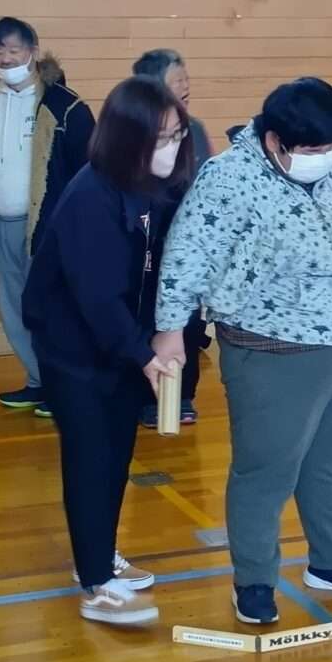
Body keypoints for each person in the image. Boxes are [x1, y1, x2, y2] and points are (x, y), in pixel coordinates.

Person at [151, 77, 332, 625]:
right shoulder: (227, 178)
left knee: (329, 461)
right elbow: (186, 255)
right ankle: (254, 580)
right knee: (265, 470)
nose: (326, 157)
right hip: (272, 347)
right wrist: (169, 330)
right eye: (314, 149)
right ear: (275, 140)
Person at [23, 76, 193, 626]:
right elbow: (97, 297)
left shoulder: (151, 188)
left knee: (117, 452)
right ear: (127, 137)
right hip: (73, 350)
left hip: (120, 347)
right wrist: (143, 354)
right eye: (162, 138)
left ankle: (99, 555)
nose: (173, 147)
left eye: (178, 135)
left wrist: (167, 336)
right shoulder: (90, 197)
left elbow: (158, 272)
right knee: (90, 456)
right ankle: (96, 583)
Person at [0, 16, 95, 418]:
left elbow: (90, 171)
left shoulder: (65, 106)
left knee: (53, 311)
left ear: (33, 52)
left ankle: (63, 387)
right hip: (2, 227)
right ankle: (39, 381)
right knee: (14, 310)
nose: (5, 59)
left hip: (50, 230)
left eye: (14, 50)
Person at [132, 48, 213, 428]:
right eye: (176, 80)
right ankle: (147, 398)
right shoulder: (133, 132)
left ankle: (183, 395)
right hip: (145, 245)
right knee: (147, 322)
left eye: (186, 78)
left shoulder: (195, 128)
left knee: (189, 324)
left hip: (188, 247)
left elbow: (208, 185)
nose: (185, 86)